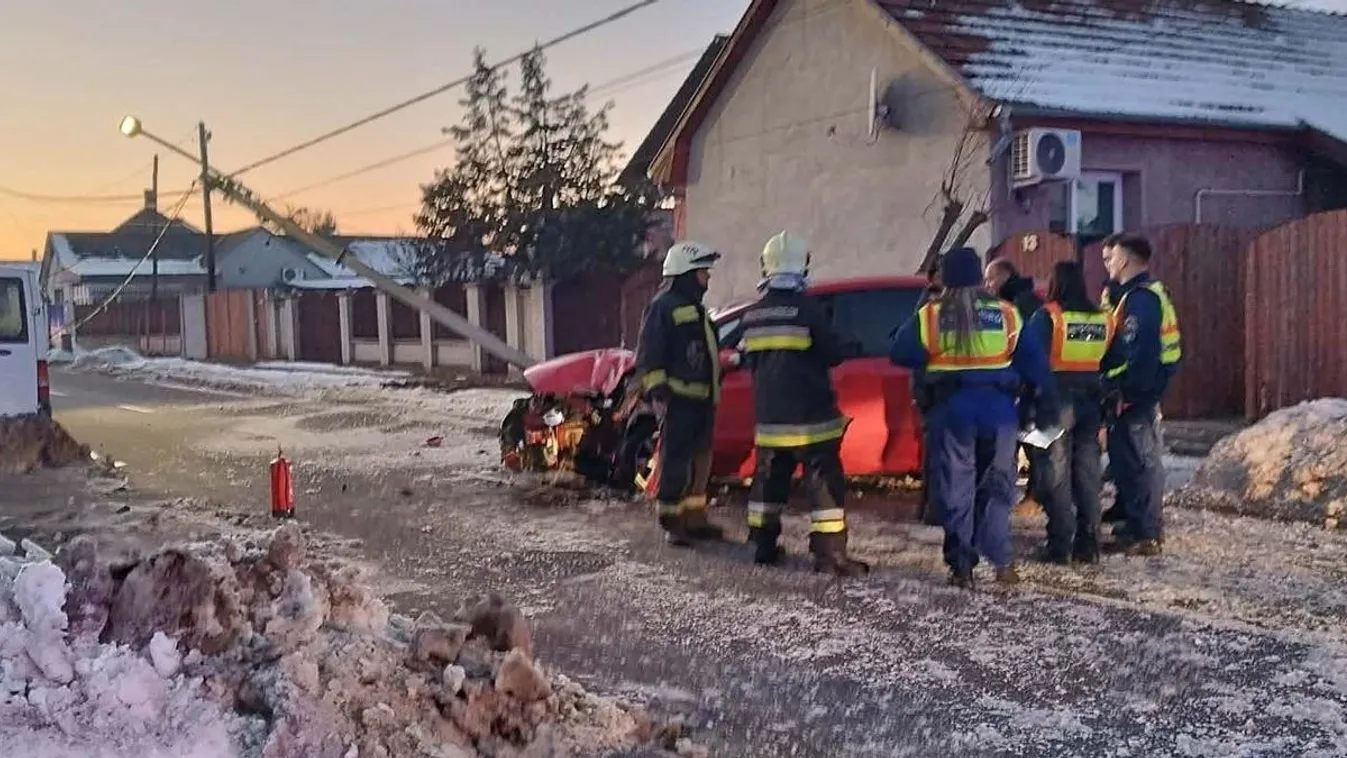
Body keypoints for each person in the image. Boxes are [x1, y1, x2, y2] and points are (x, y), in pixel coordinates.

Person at [889, 247, 1057, 588]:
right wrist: (1043, 402)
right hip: (999, 414)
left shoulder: (932, 315)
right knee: (997, 487)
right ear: (981, 277)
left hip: (953, 414)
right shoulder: (1008, 314)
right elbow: (1035, 365)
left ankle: (962, 567)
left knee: (956, 489)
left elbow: (901, 352)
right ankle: (1002, 562)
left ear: (946, 280)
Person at [735, 231, 869, 576]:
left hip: (770, 421)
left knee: (767, 486)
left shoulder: (751, 316)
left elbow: (752, 362)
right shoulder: (809, 310)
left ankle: (761, 546)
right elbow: (832, 354)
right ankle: (830, 557)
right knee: (824, 486)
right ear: (802, 266)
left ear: (766, 267)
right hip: (812, 420)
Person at [633, 240, 726, 547]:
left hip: (702, 401)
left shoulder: (695, 308)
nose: (707, 278)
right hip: (679, 401)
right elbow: (649, 353)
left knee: (701, 462)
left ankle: (695, 519)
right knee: (676, 462)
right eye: (703, 272)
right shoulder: (663, 306)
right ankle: (672, 522)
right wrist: (659, 391)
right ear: (687, 274)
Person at [1025, 261, 1115, 565]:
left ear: (1055, 283)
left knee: (1055, 474)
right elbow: (1116, 359)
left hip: (1054, 404)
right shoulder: (1103, 319)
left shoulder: (1048, 316)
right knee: (1088, 474)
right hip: (1091, 402)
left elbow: (1030, 361)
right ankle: (1090, 545)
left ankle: (1060, 544)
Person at [1098, 233, 1182, 556]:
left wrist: (1127, 392)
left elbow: (1142, 355)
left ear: (1126, 259)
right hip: (1135, 392)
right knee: (1129, 461)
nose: (1108, 262)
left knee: (1140, 462)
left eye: (1112, 257)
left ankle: (1145, 533)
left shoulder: (1141, 299)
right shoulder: (1136, 295)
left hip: (1136, 395)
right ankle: (1136, 526)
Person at [984, 257, 1047, 511]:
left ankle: (1036, 496)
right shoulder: (1017, 300)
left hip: (1027, 383)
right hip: (1022, 382)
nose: (987, 284)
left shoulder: (1020, 304)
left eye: (990, 278)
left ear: (1003, 277)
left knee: (1032, 442)